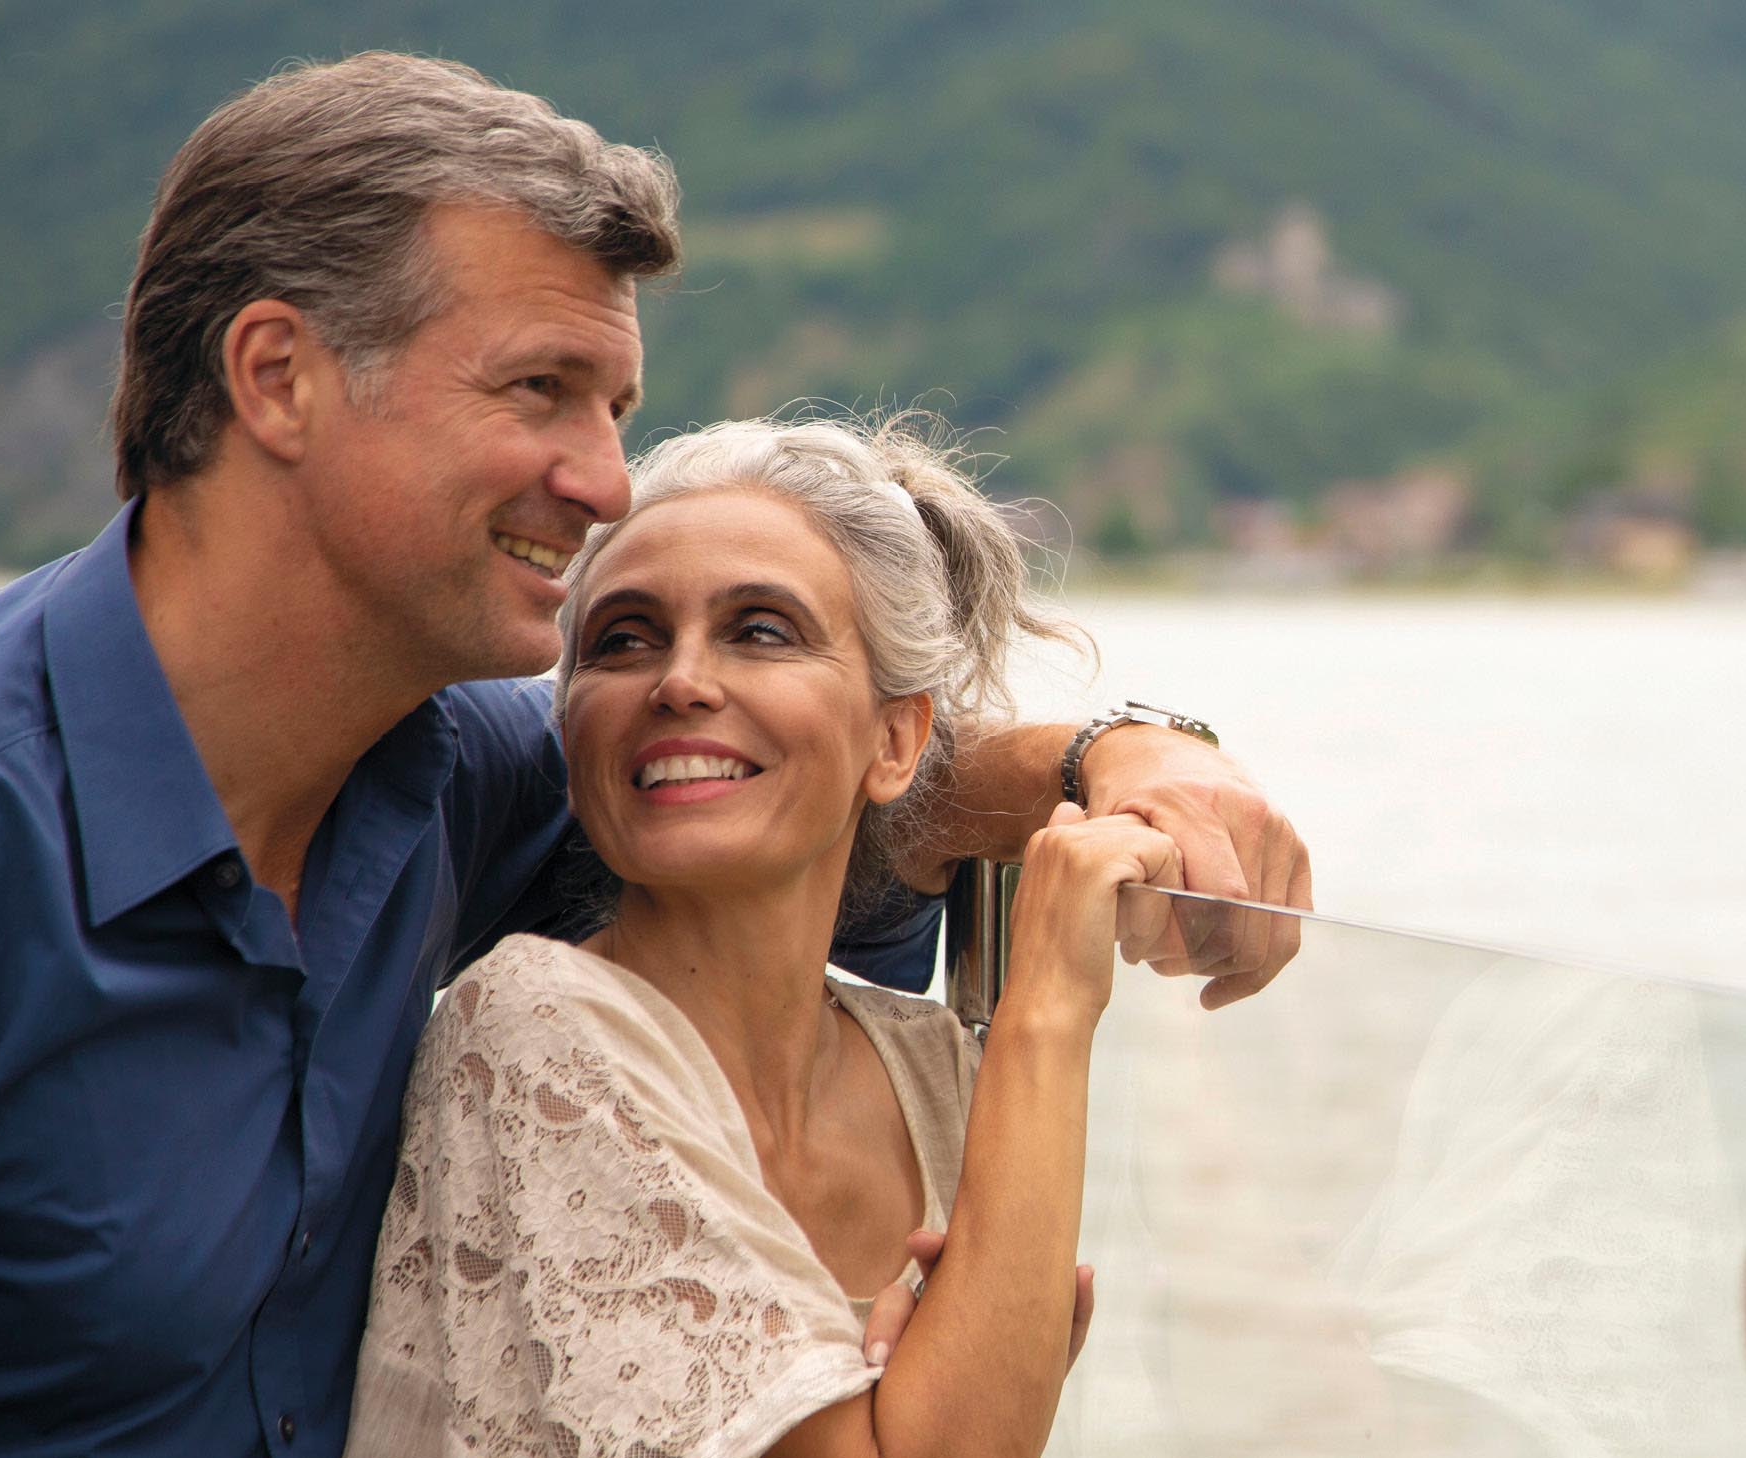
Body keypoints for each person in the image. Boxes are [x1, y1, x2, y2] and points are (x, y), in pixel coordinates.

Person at [0, 53, 1305, 1457]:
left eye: (613, 410)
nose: (607, 483)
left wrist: (1128, 759)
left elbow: (833, 780)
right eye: (540, 389)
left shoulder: (453, 770)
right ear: (278, 376)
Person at [348, 415, 1152, 1457]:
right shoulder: (532, 1031)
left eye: (760, 630)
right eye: (623, 640)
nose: (679, 680)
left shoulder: (935, 1073)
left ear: (897, 738)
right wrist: (1048, 1009)